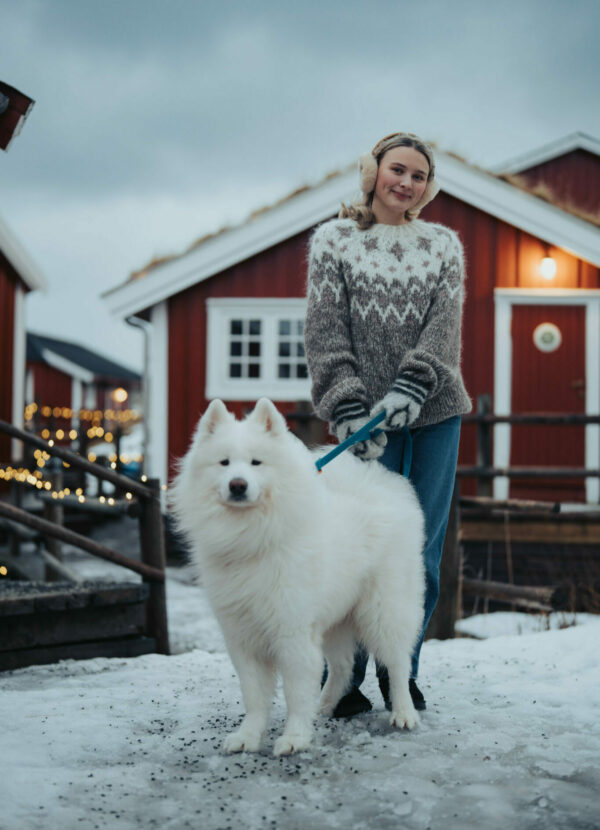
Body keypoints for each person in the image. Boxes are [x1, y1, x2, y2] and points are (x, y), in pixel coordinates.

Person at [304, 131, 471, 717]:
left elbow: (442, 329)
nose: (406, 182)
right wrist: (350, 406)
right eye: (397, 169)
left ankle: (402, 672)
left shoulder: (444, 246)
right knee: (349, 545)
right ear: (373, 171)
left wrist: (411, 386)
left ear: (428, 187)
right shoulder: (333, 241)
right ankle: (340, 680)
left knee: (418, 550)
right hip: (360, 425)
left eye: (419, 176)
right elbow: (325, 334)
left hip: (433, 416)